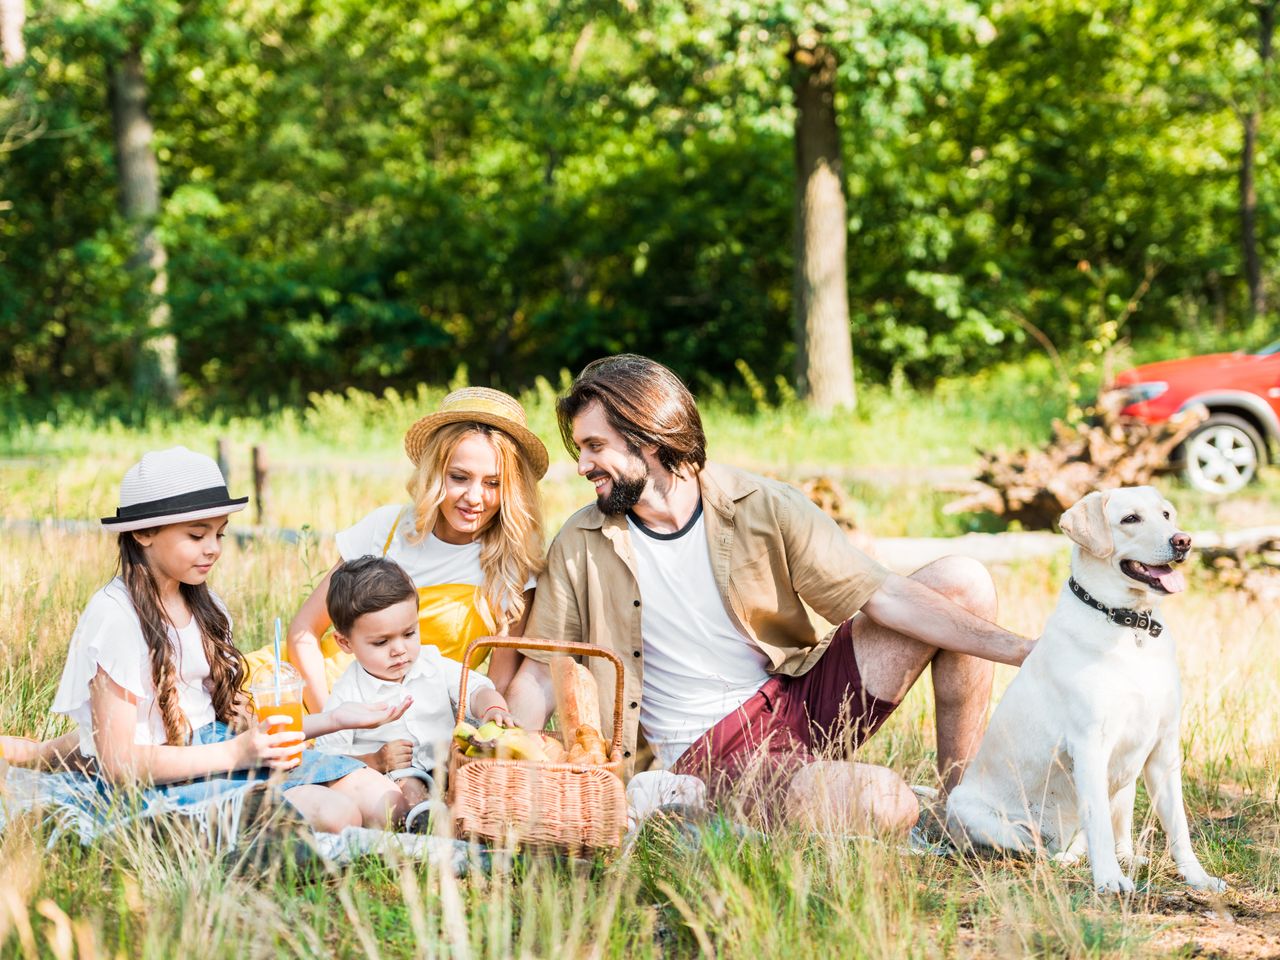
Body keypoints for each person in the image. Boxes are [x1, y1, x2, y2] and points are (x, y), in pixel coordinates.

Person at [505, 355, 1034, 834]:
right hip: (709, 755)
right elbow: (538, 672)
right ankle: (729, 806)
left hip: (795, 698)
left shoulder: (760, 505)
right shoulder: (582, 540)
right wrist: (503, 755)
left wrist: (1025, 652)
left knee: (963, 581)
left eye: (595, 446)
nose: (581, 466)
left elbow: (884, 597)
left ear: (646, 436)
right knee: (883, 801)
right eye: (580, 449)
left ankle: (961, 810)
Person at [39, 446, 413, 833]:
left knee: (388, 805)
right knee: (338, 816)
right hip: (170, 772)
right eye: (197, 535)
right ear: (144, 531)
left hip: (222, 746)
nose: (214, 548)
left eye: (219, 534)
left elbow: (239, 725)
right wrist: (236, 753)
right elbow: (119, 763)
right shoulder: (115, 618)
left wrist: (333, 719)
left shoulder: (205, 603)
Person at [245, 387, 548, 719]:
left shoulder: (513, 568)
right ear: (434, 472)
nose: (475, 497)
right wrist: (332, 722)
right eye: (459, 478)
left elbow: (495, 686)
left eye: (493, 483)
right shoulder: (387, 528)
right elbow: (305, 631)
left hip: (402, 723)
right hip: (302, 692)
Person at [313, 556, 517, 824]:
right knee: (406, 788)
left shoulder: (432, 663)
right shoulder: (348, 692)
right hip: (394, 776)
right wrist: (376, 760)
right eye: (381, 642)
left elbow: (475, 688)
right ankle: (423, 822)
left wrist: (492, 707)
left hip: (448, 764)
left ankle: (484, 815)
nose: (399, 650)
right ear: (345, 642)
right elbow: (328, 760)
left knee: (479, 771)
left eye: (409, 634)